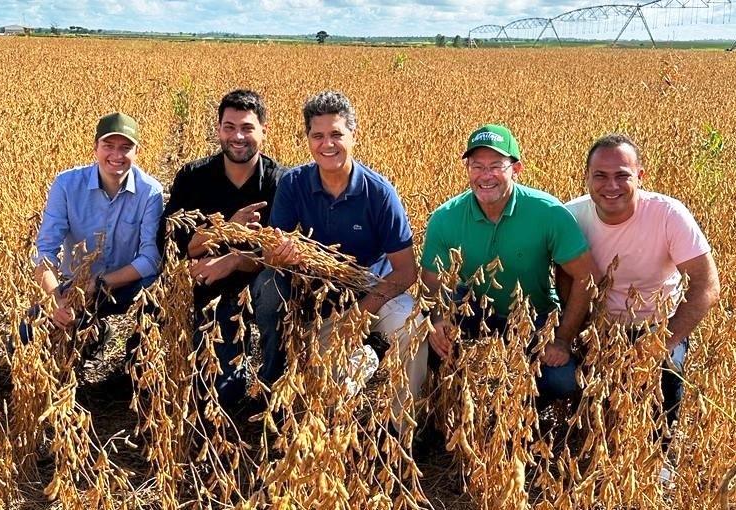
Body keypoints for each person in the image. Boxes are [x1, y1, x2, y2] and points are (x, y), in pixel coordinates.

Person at [253, 90, 425, 422]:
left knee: (411, 327)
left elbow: (405, 273)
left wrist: (358, 315)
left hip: (376, 287)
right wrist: (281, 256)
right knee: (325, 402)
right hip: (323, 294)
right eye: (318, 136)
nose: (327, 144)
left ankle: (402, 428)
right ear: (308, 139)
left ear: (353, 136)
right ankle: (361, 360)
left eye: (336, 134)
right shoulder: (294, 184)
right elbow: (273, 254)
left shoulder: (379, 193)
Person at [419, 124, 598, 405]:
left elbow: (586, 276)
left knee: (562, 380)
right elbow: (432, 283)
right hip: (472, 311)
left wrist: (562, 338)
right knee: (423, 345)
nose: (485, 175)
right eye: (477, 166)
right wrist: (438, 320)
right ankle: (443, 412)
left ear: (516, 169)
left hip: (534, 316)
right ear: (467, 168)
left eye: (496, 166)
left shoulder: (548, 212)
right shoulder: (445, 218)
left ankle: (524, 413)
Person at [565, 133, 720, 433]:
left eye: (622, 176)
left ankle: (661, 455)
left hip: (657, 324)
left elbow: (706, 284)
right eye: (600, 176)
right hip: (595, 327)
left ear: (640, 176)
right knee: (590, 404)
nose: (611, 186)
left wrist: (662, 343)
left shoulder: (668, 215)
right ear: (586, 177)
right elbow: (556, 277)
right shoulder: (571, 216)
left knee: (667, 370)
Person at [158, 89, 286, 407]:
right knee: (215, 395)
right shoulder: (193, 177)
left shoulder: (281, 182)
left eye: (247, 127)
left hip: (258, 288)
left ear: (263, 133)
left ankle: (273, 381)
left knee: (273, 285)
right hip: (209, 290)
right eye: (229, 127)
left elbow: (279, 254)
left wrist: (231, 260)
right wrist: (228, 228)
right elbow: (177, 245)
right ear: (218, 130)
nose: (238, 136)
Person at [22, 112, 163, 362]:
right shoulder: (66, 185)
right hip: (76, 286)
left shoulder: (150, 191)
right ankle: (95, 334)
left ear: (137, 151)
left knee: (159, 296)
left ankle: (137, 367)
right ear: (95, 148)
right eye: (108, 146)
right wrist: (56, 299)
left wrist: (99, 285)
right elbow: (45, 250)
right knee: (25, 335)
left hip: (126, 284)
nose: (117, 156)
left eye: (125, 147)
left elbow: (150, 258)